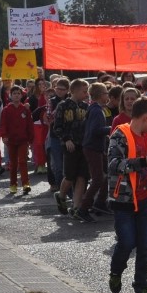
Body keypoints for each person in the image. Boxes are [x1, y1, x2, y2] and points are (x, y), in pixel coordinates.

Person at [107, 96, 147, 293]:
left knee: (146, 246)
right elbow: (113, 164)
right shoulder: (120, 134)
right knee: (127, 242)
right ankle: (116, 270)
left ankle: (141, 287)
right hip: (124, 200)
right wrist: (140, 162)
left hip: (146, 198)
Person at [51, 78, 90, 216]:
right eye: (84, 91)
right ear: (74, 91)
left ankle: (76, 206)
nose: (86, 94)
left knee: (82, 176)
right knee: (70, 175)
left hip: (83, 146)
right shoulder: (63, 105)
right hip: (70, 146)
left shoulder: (86, 107)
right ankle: (61, 196)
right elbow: (57, 126)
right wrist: (66, 139)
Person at [74, 83, 111, 222]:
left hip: (95, 147)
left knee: (107, 173)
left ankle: (100, 202)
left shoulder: (95, 109)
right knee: (98, 179)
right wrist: (111, 128)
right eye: (106, 93)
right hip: (93, 148)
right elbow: (96, 130)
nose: (107, 95)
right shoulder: (96, 110)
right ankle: (83, 208)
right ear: (101, 95)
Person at [1, 85, 35, 195]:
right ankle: (13, 184)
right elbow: (3, 124)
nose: (16, 95)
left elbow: (29, 124)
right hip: (11, 140)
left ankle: (26, 184)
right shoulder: (6, 110)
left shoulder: (25, 109)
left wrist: (31, 138)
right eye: (14, 93)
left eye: (18, 93)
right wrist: (4, 136)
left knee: (23, 161)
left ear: (22, 95)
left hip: (23, 140)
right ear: (10, 95)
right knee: (13, 163)